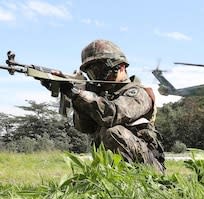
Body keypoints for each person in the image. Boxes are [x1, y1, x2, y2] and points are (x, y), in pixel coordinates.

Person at [43, 39, 165, 173]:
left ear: (121, 67)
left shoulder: (138, 93)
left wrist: (76, 94)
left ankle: (132, 181)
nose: (97, 77)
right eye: (92, 73)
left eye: (102, 71)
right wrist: (75, 97)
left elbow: (112, 114)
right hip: (112, 168)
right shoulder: (101, 96)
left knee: (113, 132)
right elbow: (84, 127)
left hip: (149, 168)